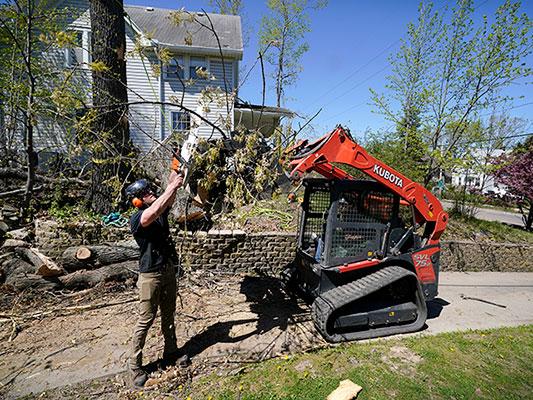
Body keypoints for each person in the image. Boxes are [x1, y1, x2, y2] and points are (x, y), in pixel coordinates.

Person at [125, 170, 189, 387]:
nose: (151, 192)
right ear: (137, 200)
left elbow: (165, 202)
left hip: (167, 271)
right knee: (146, 319)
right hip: (150, 276)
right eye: (146, 192)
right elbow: (150, 214)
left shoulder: (159, 209)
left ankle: (171, 352)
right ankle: (134, 366)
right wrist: (170, 187)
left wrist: (174, 181)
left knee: (169, 314)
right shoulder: (137, 218)